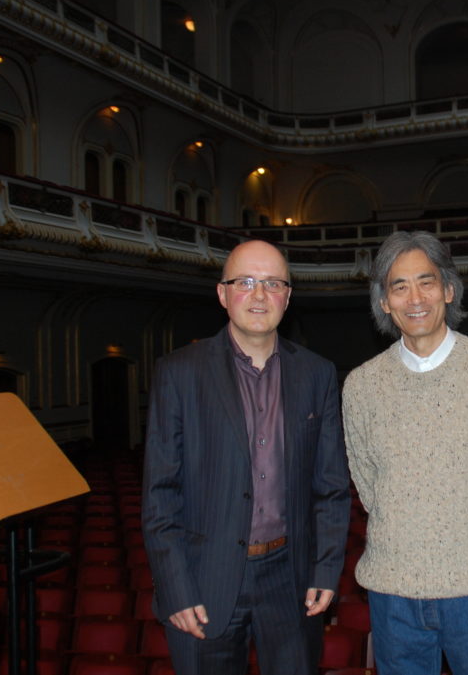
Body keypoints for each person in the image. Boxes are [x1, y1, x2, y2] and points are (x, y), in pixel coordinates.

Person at [342, 230, 468, 675]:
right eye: (399, 286)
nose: (414, 297)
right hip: (393, 595)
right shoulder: (360, 386)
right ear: (384, 302)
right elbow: (368, 482)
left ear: (448, 290)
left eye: (426, 282)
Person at [142, 239, 350, 675]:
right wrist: (175, 588)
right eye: (246, 282)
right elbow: (160, 495)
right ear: (222, 294)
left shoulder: (318, 374)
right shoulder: (177, 372)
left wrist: (326, 571)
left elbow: (330, 489)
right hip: (203, 581)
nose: (259, 295)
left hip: (291, 582)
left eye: (273, 283)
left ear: (288, 297)